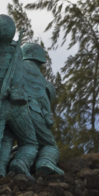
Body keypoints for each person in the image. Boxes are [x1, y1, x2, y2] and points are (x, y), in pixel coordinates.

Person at [0, 14, 38, 185]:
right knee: (30, 142)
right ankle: (19, 163)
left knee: (1, 136)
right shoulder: (15, 52)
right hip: (14, 106)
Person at [20, 41, 63, 178]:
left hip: (12, 111)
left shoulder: (14, 68)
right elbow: (44, 99)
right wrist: (47, 117)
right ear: (40, 59)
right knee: (49, 145)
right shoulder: (40, 79)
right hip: (34, 112)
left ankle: (14, 163)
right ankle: (45, 163)